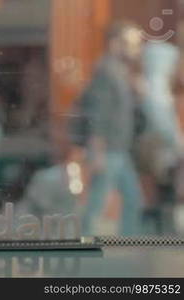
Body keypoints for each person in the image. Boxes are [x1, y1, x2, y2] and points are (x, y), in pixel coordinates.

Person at [81, 22, 145, 236]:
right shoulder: (107, 72)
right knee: (99, 199)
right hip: (108, 149)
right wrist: (97, 151)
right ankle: (84, 242)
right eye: (131, 43)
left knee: (133, 198)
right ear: (115, 44)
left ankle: (127, 241)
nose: (136, 48)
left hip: (119, 148)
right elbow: (98, 115)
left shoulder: (120, 72)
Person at [138, 42, 183, 234]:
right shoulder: (156, 88)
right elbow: (162, 123)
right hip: (160, 150)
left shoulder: (152, 85)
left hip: (157, 150)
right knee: (166, 192)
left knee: (163, 192)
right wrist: (179, 143)